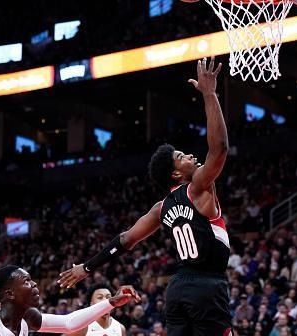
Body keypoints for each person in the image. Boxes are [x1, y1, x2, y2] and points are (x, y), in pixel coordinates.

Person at [58, 57, 231, 336]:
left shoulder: (161, 208)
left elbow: (125, 240)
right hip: (207, 286)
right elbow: (220, 148)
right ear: (176, 175)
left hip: (177, 289)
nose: (189, 155)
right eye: (181, 156)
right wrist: (209, 94)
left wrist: (88, 267)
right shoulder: (198, 186)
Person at [0, 265, 140, 336]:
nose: (34, 283)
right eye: (26, 281)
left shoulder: (27, 317)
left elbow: (69, 323)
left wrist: (112, 302)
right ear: (10, 294)